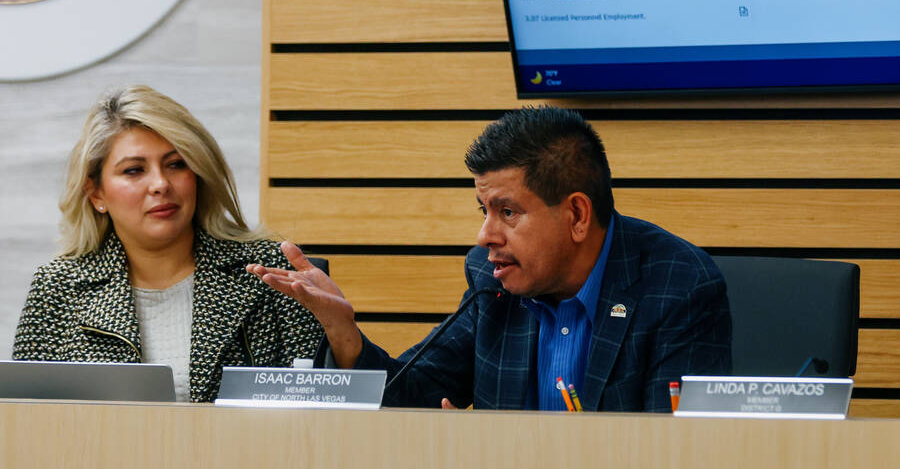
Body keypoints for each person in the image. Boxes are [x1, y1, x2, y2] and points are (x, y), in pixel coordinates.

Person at [248, 106, 733, 412]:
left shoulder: (677, 285)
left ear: (578, 215)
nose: (485, 235)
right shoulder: (492, 280)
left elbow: (680, 456)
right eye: (484, 211)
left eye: (507, 212)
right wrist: (345, 334)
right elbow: (413, 396)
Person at [13, 85, 323, 402]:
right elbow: (23, 422)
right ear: (97, 194)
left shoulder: (268, 271)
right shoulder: (58, 287)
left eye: (176, 164)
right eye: (134, 170)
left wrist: (344, 336)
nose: (160, 184)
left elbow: (331, 415)